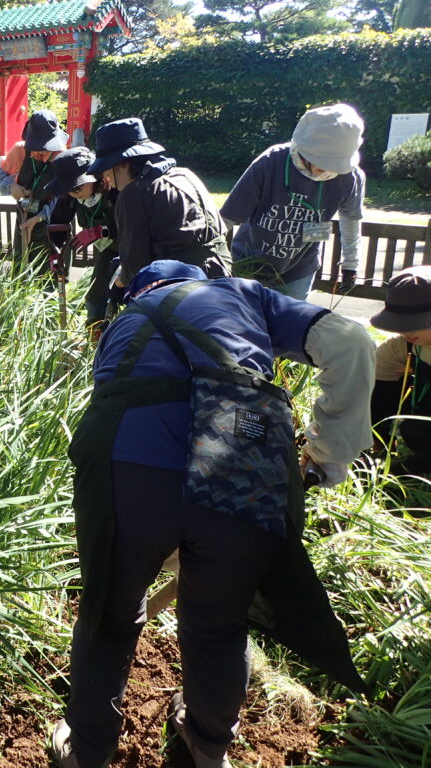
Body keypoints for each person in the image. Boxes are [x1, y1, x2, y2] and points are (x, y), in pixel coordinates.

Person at [52, 260, 374, 768]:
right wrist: (328, 455)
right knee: (219, 624)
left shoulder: (124, 324)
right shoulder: (244, 296)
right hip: (239, 460)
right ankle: (207, 746)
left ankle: (87, 751)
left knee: (109, 614)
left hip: (128, 463)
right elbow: (351, 340)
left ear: (141, 292)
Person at [223, 103, 365, 299]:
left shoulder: (351, 177)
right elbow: (229, 215)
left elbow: (350, 219)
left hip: (300, 269)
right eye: (321, 164)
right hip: (250, 261)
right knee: (245, 314)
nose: (326, 171)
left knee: (289, 317)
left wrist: (350, 265)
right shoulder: (271, 161)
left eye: (334, 166)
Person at [85, 118, 230, 292]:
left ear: (123, 164)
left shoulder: (134, 193)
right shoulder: (185, 175)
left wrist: (118, 284)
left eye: (106, 168)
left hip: (181, 286)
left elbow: (135, 267)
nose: (105, 177)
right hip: (223, 276)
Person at [34, 147, 121, 326]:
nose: (74, 192)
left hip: (133, 249)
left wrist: (101, 232)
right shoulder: (71, 197)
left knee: (123, 295)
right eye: (69, 188)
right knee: (94, 298)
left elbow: (132, 227)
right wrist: (55, 254)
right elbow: (57, 224)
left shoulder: (115, 191)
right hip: (107, 251)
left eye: (77, 186)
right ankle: (95, 335)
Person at [369, 267, 431, 476]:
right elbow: (378, 399)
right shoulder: (400, 346)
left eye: (415, 324)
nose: (406, 331)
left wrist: (406, 469)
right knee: (415, 431)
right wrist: (381, 450)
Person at [10, 110, 68, 274]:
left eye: (42, 151)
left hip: (51, 224)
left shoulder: (63, 158)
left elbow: (62, 199)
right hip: (23, 217)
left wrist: (39, 217)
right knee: (19, 270)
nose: (36, 155)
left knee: (46, 275)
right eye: (33, 149)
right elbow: (1, 176)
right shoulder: (20, 150)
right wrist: (11, 187)